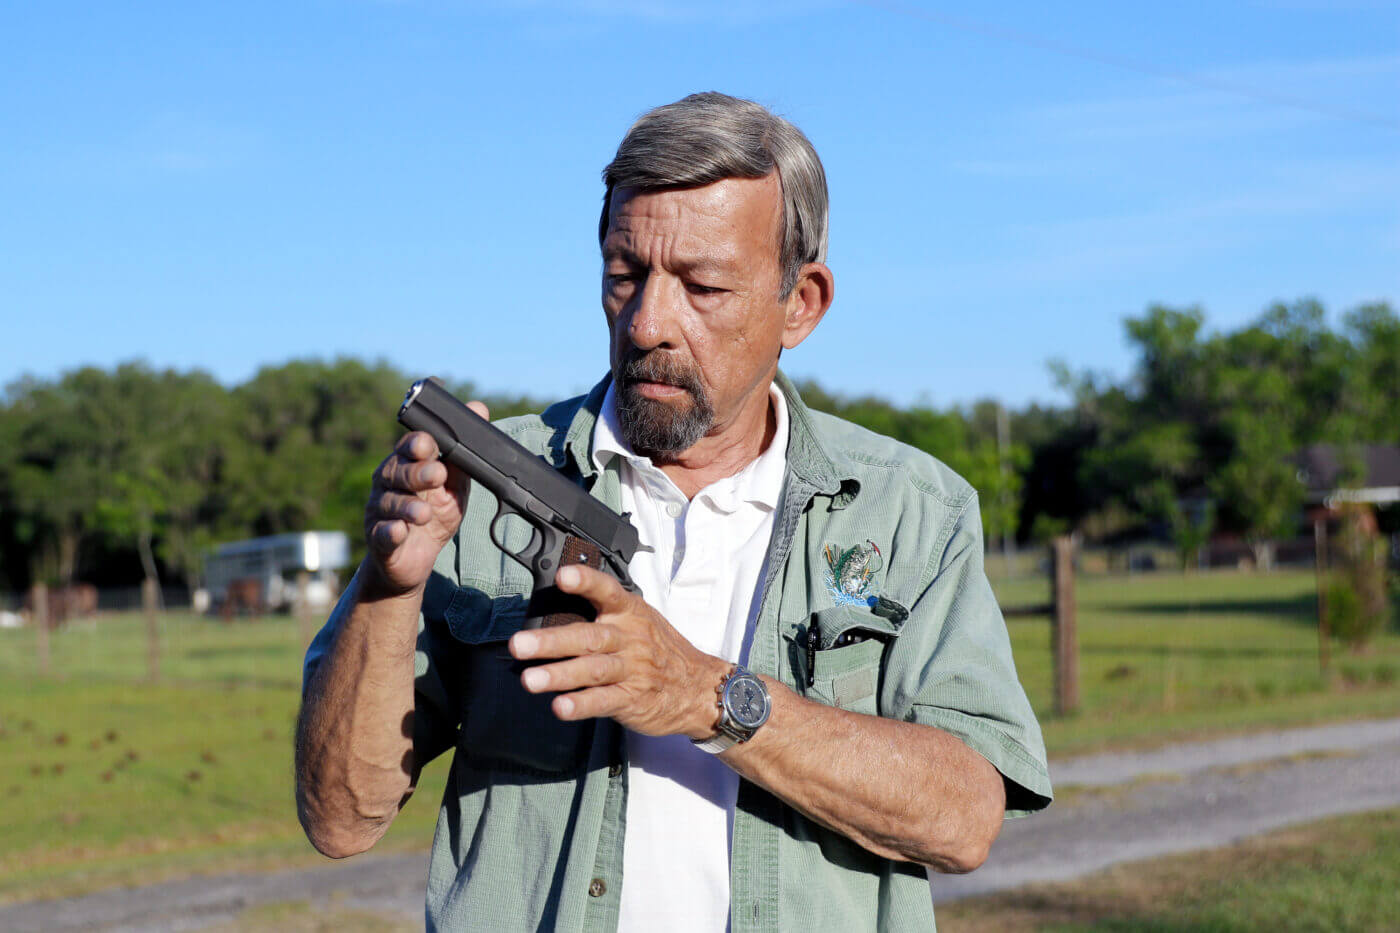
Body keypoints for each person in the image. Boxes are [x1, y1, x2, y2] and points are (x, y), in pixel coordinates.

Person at [297, 92, 1051, 932]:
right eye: (626, 275)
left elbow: (965, 817)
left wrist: (704, 696)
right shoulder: (470, 494)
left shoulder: (913, 509)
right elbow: (339, 816)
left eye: (704, 285)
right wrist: (388, 583)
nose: (650, 321)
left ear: (800, 302)